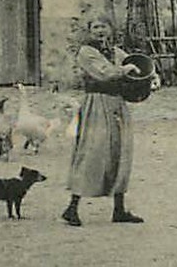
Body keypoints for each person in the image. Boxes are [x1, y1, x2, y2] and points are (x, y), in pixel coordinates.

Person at [62, 16, 144, 226]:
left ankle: (119, 209)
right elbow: (104, 73)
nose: (100, 31)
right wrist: (126, 70)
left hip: (117, 105)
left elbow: (134, 64)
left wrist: (151, 77)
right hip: (97, 105)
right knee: (92, 152)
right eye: (95, 27)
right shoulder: (86, 52)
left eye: (103, 26)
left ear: (111, 29)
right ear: (89, 31)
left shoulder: (115, 52)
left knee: (121, 152)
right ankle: (72, 208)